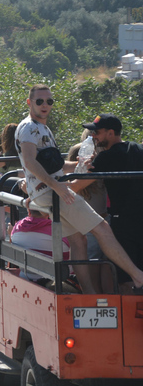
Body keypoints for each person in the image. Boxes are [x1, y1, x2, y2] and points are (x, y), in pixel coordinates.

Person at [14, 85, 143, 293]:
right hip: (53, 193)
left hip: (49, 192)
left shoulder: (42, 128)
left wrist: (80, 164)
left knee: (78, 240)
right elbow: (29, 162)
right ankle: (138, 277)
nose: (45, 105)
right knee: (103, 229)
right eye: (39, 101)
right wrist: (58, 186)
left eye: (49, 101)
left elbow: (55, 166)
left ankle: (89, 295)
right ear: (30, 103)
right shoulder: (29, 127)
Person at [71, 114, 143, 294]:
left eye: (97, 132)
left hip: (124, 224)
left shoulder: (106, 157)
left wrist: (43, 190)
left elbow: (76, 187)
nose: (93, 136)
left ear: (111, 133)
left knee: (126, 280)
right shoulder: (138, 149)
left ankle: (129, 320)